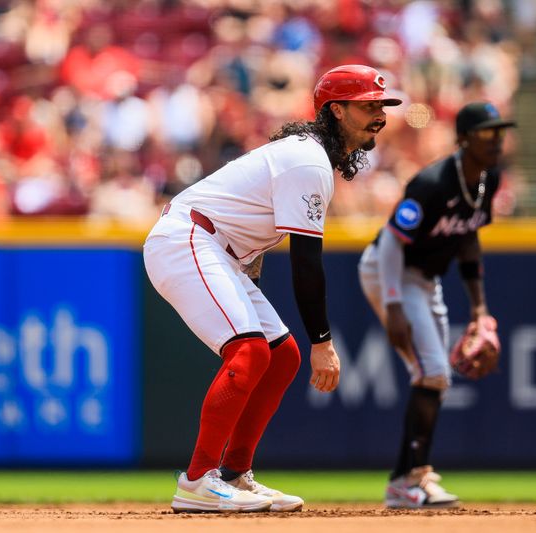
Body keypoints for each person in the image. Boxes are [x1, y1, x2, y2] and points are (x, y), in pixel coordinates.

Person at [143, 64, 401, 513]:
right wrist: (323, 341)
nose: (379, 114)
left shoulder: (310, 155)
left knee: (282, 356)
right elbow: (306, 262)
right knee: (249, 351)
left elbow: (255, 228)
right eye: (368, 106)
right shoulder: (308, 161)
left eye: (382, 105)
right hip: (188, 239)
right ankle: (198, 480)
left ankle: (235, 475)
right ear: (336, 110)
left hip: (218, 249)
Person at [358, 102, 514, 509]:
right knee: (433, 372)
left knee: (434, 378)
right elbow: (392, 242)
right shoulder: (432, 182)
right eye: (486, 133)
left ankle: (410, 477)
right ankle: (408, 479)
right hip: (389, 271)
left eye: (500, 132)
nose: (496, 141)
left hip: (426, 280)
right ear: (463, 139)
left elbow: (468, 238)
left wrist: (479, 309)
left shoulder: (488, 181)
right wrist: (392, 305)